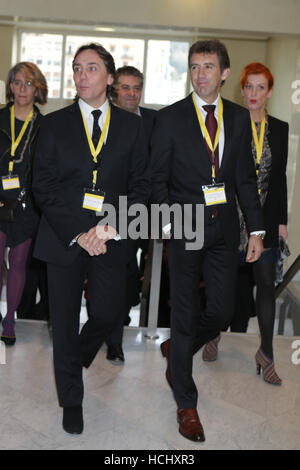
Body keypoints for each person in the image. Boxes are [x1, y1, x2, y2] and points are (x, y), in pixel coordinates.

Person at [32, 43, 150, 435]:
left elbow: (141, 185)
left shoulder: (133, 126)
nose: (82, 76)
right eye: (77, 68)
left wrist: (108, 228)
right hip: (64, 236)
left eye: (92, 68)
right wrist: (80, 233)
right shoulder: (51, 124)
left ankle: (77, 356)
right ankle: (72, 398)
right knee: (63, 323)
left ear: (110, 78)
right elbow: (42, 186)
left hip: (111, 236)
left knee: (107, 312)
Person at [151, 40, 264, 442]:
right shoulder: (170, 119)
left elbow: (245, 180)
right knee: (183, 315)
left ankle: (179, 351)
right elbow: (157, 177)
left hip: (223, 232)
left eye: (209, 67)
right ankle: (186, 403)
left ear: (224, 74)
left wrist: (257, 230)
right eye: (194, 67)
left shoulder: (237, 117)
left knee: (221, 310)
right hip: (183, 228)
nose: (201, 74)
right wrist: (166, 224)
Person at [202, 63, 289, 386]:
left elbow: (278, 179)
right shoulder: (229, 121)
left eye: (260, 88)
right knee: (222, 284)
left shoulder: (279, 129)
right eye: (249, 87)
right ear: (241, 89)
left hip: (262, 222)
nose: (253, 94)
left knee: (265, 287)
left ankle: (266, 352)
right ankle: (213, 334)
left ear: (269, 91)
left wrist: (281, 222)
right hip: (227, 217)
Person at [103, 65, 156, 362]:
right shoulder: (102, 119)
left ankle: (115, 336)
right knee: (102, 274)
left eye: (137, 88)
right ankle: (98, 325)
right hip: (102, 208)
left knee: (124, 272)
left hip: (138, 211)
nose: (132, 94)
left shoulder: (153, 120)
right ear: (114, 90)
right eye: (125, 87)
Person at [0, 62, 47, 346]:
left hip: (26, 203)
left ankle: (10, 319)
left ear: (38, 88)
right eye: (17, 82)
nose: (22, 89)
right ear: (10, 86)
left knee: (18, 263)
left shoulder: (44, 126)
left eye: (28, 83)